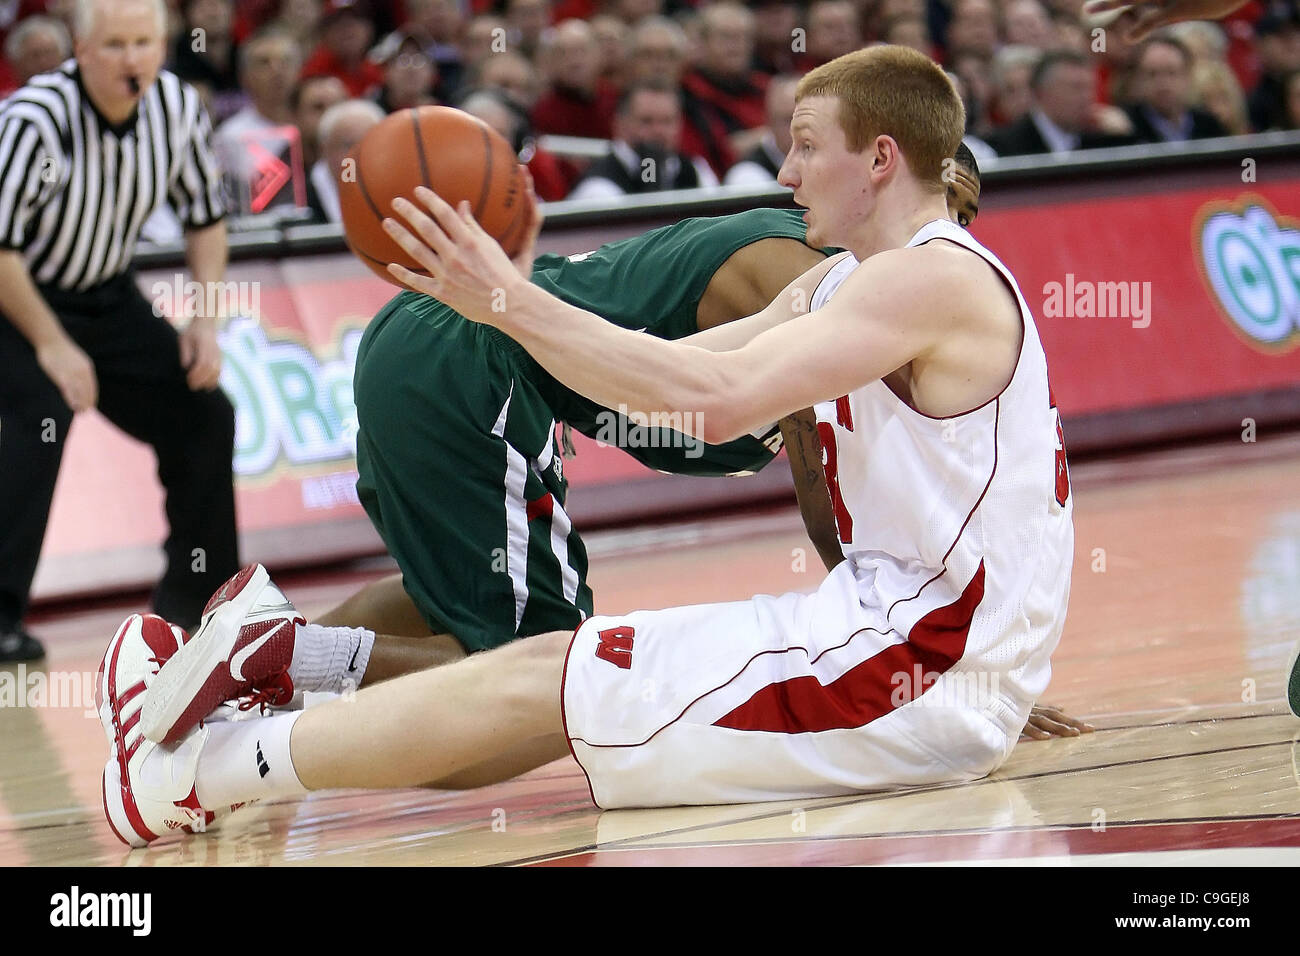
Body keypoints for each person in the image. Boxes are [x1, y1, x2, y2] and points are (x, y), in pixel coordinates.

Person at [103, 46, 1083, 844]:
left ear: (880, 159)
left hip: (915, 663)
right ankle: (214, 745)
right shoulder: (836, 283)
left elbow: (714, 401)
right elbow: (676, 375)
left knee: (541, 677)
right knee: (542, 667)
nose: (783, 172)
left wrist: (511, 301)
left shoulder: (933, 276)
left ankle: (212, 752)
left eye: (805, 145)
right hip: (895, 647)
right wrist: (503, 308)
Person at [0, 0, 239, 662]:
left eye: (143, 42)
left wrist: (205, 321)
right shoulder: (34, 120)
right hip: (16, 297)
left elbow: (205, 221)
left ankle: (201, 599)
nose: (130, 59)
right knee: (41, 415)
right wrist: (53, 345)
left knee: (204, 412)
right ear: (80, 48)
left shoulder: (177, 108)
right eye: (113, 45)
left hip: (106, 295)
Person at [567, 83, 718, 201]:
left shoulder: (695, 171)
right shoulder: (599, 188)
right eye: (646, 121)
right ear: (621, 124)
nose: (658, 131)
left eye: (667, 121)